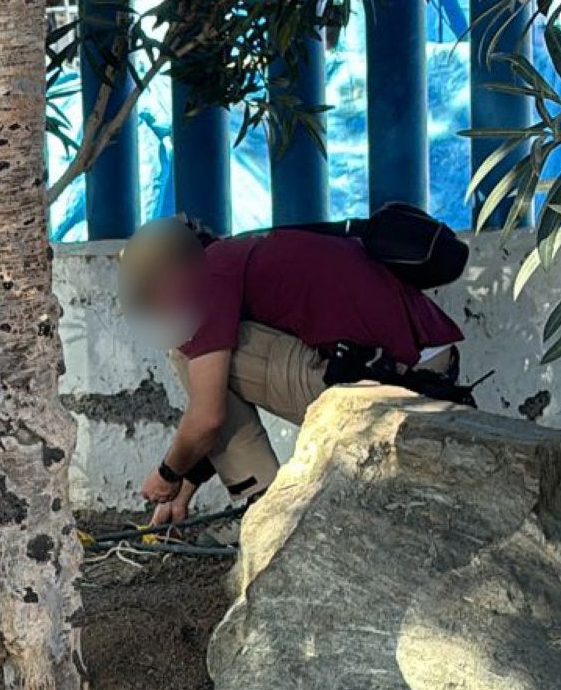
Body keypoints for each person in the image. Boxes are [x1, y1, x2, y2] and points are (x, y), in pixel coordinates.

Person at [117, 216, 465, 525]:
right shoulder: (248, 252)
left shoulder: (211, 275)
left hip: (394, 384)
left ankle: (264, 510)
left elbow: (209, 416)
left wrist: (167, 474)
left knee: (186, 352)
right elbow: (221, 407)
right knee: (207, 363)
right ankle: (258, 500)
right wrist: (183, 491)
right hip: (429, 370)